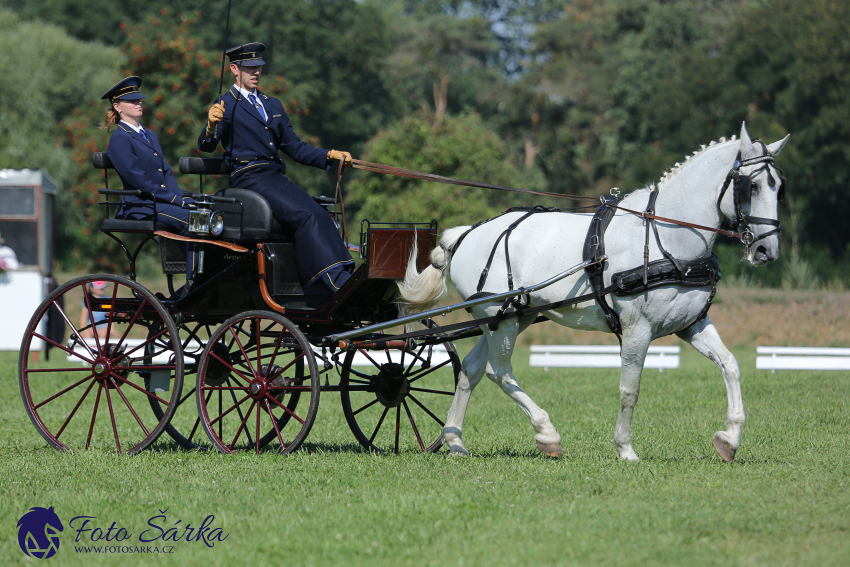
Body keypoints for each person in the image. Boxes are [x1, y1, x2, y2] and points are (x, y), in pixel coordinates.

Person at [199, 43, 354, 294]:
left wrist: (329, 155)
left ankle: (344, 273)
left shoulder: (273, 105)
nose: (256, 72)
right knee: (306, 216)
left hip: (274, 178)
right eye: (250, 68)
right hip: (248, 178)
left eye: (258, 67)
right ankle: (329, 282)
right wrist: (210, 126)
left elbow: (295, 148)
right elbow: (206, 145)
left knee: (321, 213)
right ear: (234, 69)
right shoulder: (225, 104)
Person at [101, 76, 197, 288]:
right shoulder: (120, 139)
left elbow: (166, 173)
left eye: (139, 99)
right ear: (117, 106)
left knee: (203, 216)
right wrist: (173, 199)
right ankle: (193, 282)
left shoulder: (150, 135)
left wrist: (180, 198)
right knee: (194, 221)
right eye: (132, 101)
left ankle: (203, 277)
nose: (138, 103)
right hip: (140, 204)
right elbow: (138, 180)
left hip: (158, 202)